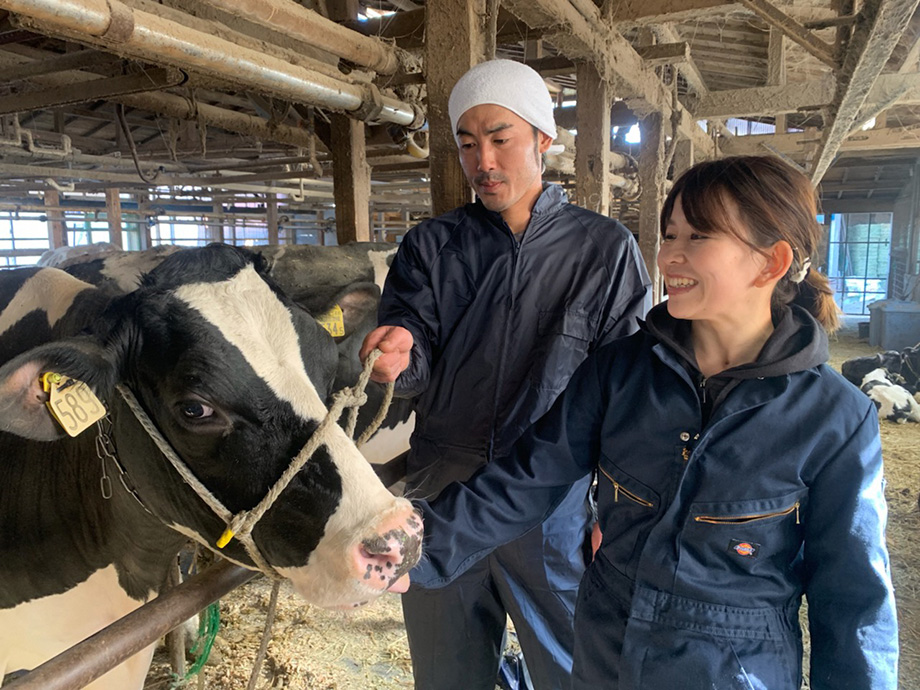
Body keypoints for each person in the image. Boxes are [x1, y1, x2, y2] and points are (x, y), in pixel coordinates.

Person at [409, 155, 899, 689]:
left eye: (698, 237)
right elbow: (526, 479)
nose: (669, 257)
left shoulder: (835, 417)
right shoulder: (619, 373)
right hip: (606, 659)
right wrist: (412, 546)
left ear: (770, 262)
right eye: (669, 235)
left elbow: (854, 602)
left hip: (728, 674)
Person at [359, 59, 652, 690]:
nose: (483, 161)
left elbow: (627, 391)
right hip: (442, 488)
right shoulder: (431, 247)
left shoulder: (603, 251)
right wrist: (398, 357)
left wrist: (618, 511)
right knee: (447, 671)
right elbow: (415, 354)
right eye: (467, 144)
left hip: (552, 496)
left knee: (574, 669)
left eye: (500, 138)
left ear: (544, 140)